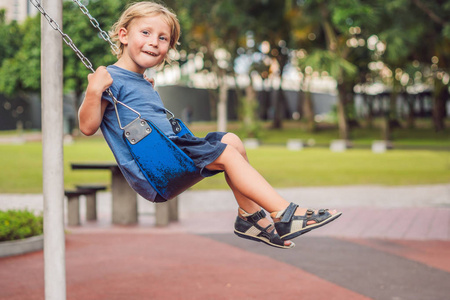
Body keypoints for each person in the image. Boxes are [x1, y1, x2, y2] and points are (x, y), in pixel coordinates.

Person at [78, 1, 341, 249]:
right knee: (226, 153)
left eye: (163, 38)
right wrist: (94, 91)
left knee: (232, 142)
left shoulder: (140, 80)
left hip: (174, 152)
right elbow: (88, 126)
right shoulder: (109, 78)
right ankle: (285, 213)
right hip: (156, 166)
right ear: (123, 35)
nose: (153, 42)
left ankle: (250, 216)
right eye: (145, 32)